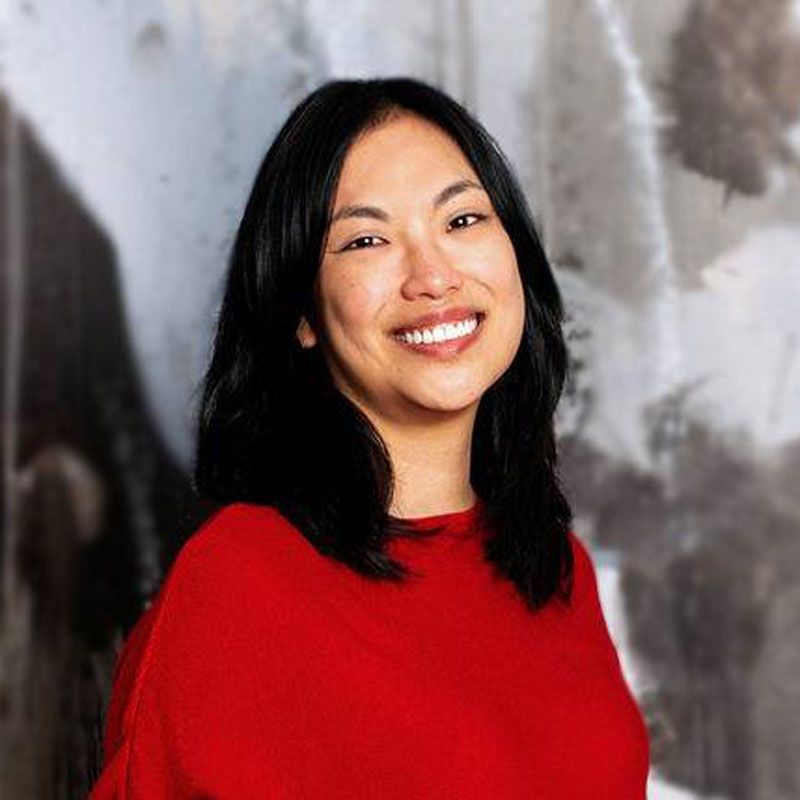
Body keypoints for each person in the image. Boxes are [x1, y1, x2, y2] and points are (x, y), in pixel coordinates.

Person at [87, 77, 650, 799]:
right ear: (303, 313)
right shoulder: (239, 585)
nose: (433, 276)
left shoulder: (555, 568)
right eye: (367, 239)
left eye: (463, 220)